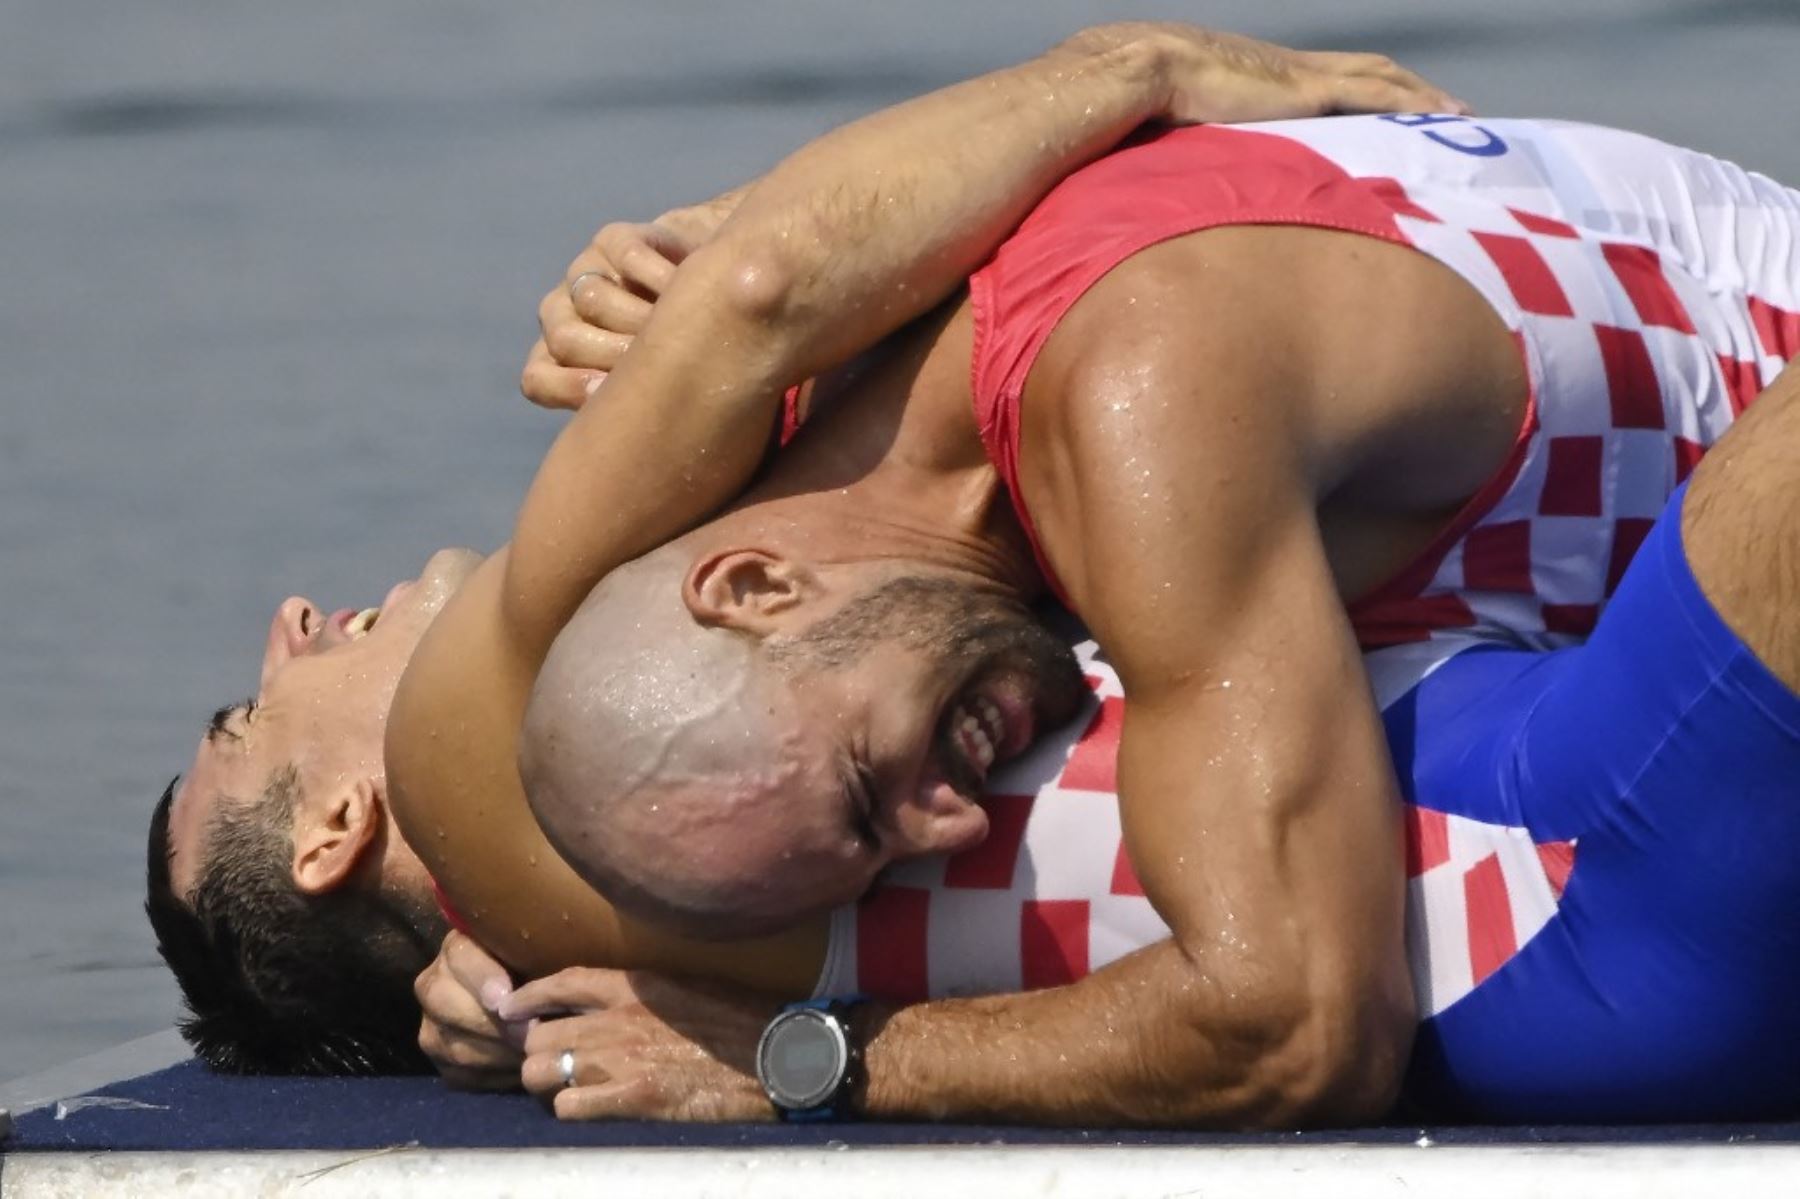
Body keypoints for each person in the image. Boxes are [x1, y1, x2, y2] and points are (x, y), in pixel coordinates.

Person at [144, 25, 1455, 1078]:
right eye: (251, 711)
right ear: (333, 830)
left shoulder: (620, 959)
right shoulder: (471, 763)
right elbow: (778, 289)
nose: (294, 618)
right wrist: (1137, 70)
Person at [476, 113, 1800, 1121]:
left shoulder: (1135, 405)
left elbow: (1305, 1022)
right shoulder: (873, 355)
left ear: (752, 584)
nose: (953, 825)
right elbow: (770, 274)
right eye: (891, 858)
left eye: (876, 789)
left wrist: (814, 1052)